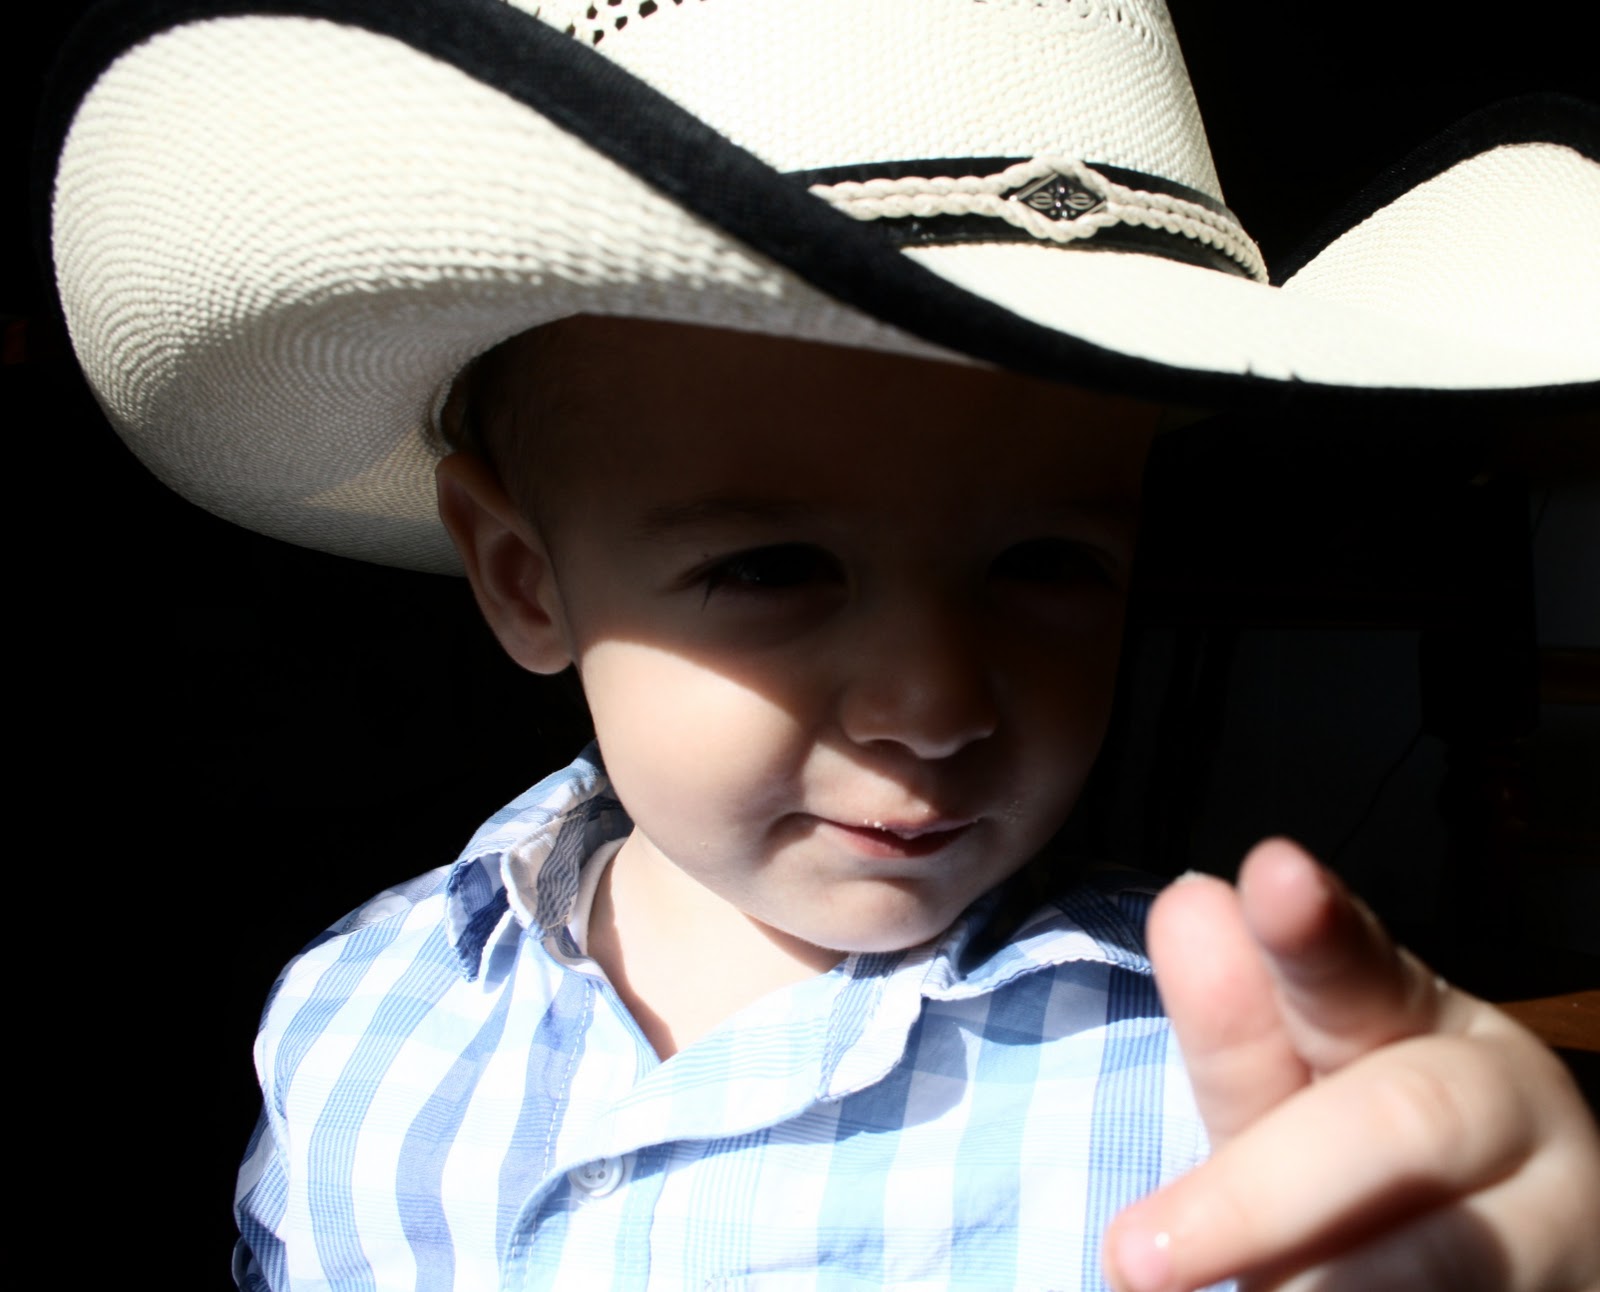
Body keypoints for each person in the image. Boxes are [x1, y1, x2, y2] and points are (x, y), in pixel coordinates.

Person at [42, 1, 1598, 1288]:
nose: (937, 700)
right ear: (522, 579)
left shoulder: (1211, 1099)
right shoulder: (355, 1022)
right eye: (773, 566)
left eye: (1046, 563)